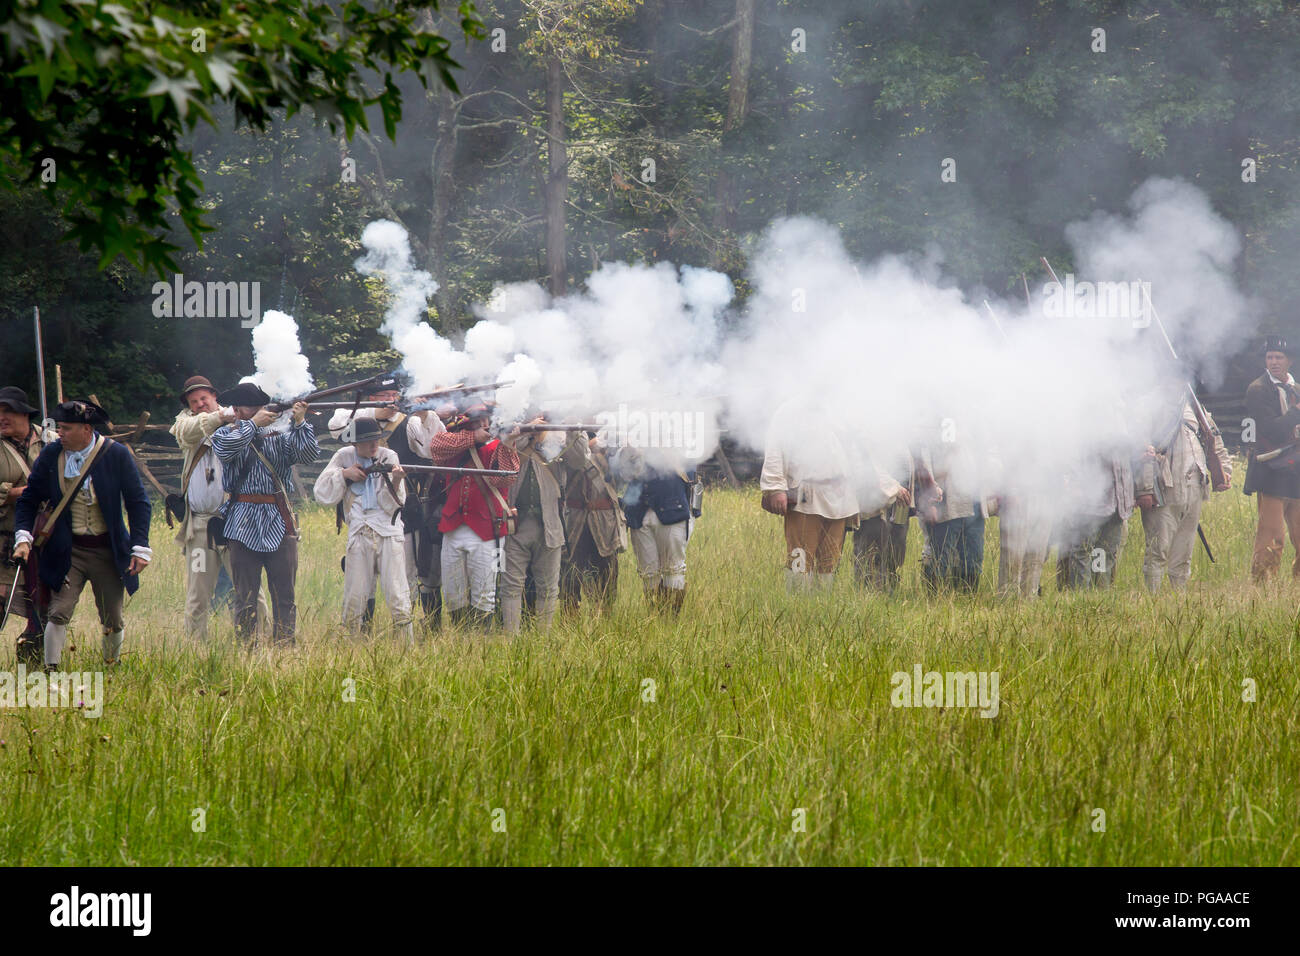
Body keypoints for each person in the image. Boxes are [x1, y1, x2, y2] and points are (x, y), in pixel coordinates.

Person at [12, 399, 152, 669]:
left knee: (113, 616)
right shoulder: (52, 455)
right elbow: (29, 500)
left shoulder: (116, 454)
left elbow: (138, 502)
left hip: (107, 551)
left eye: (66, 428)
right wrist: (24, 537)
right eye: (59, 428)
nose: (59, 433)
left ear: (86, 429)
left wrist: (140, 547)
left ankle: (112, 667)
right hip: (69, 549)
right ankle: (51, 668)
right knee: (58, 612)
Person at [210, 382, 319, 646]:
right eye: (251, 407)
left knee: (285, 595)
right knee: (245, 596)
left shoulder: (280, 435)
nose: (258, 410)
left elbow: (308, 455)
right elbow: (224, 450)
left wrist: (300, 422)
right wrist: (253, 425)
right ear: (236, 409)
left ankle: (285, 648)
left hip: (279, 519)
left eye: (259, 406)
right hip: (241, 522)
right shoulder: (225, 434)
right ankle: (247, 648)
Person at [169, 374, 268, 638]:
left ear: (215, 397)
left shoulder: (240, 421)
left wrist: (237, 415)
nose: (200, 403)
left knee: (250, 589)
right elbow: (185, 432)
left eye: (204, 398)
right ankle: (195, 648)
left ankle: (262, 641)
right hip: (200, 526)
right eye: (194, 401)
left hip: (235, 523)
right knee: (198, 595)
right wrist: (220, 417)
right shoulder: (187, 424)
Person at [313, 417, 412, 641]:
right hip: (359, 531)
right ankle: (350, 647)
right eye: (368, 441)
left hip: (388, 531)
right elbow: (321, 492)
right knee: (355, 596)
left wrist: (395, 481)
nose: (374, 445)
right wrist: (345, 475)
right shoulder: (344, 457)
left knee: (397, 594)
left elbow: (392, 507)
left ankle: (407, 646)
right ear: (356, 443)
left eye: (376, 440)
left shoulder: (390, 457)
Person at [428, 403, 520, 629]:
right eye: (479, 423)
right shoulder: (456, 443)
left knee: (485, 594)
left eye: (486, 422)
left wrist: (508, 443)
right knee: (453, 593)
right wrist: (473, 437)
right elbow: (436, 446)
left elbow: (505, 479)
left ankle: (481, 643)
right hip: (453, 527)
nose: (485, 426)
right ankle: (462, 639)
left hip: (488, 529)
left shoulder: (500, 447)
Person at [1135, 393, 1232, 590]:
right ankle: (1152, 598)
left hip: (1195, 487)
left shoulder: (1197, 408)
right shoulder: (1148, 406)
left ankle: (1178, 599)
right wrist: (1144, 489)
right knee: (1158, 549)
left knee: (1184, 550)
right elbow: (1142, 450)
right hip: (1164, 487)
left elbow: (1215, 440)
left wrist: (1225, 471)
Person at [760, 400, 859, 591]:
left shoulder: (839, 407)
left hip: (839, 495)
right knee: (800, 557)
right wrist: (776, 488)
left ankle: (821, 605)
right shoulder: (788, 411)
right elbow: (774, 450)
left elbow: (853, 450)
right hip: (805, 494)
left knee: (830, 561)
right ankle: (797, 607)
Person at [499, 419, 587, 633]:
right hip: (515, 524)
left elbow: (580, 460)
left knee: (548, 587)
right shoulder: (513, 420)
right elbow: (502, 448)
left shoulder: (560, 431)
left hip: (550, 521)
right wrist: (529, 427)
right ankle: (511, 640)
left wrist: (572, 428)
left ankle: (543, 640)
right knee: (511, 586)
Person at [0, 386, 52, 662]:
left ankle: (34, 659)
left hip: (47, 535)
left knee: (44, 601)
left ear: (23, 413)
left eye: (7, 411)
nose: (1, 417)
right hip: (6, 536)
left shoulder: (52, 440)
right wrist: (26, 492)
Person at [1242, 337, 1300, 582]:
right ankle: (1263, 593)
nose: (1274, 362)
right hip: (1271, 472)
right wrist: (1296, 412)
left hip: (1296, 470)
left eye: (1279, 357)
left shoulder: (1295, 389)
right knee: (1272, 539)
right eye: (1269, 357)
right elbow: (1271, 430)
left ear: (1290, 360)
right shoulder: (1258, 389)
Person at [619, 448, 700, 612]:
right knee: (648, 572)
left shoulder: (680, 438)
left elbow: (689, 466)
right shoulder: (633, 436)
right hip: (639, 512)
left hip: (672, 508)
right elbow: (624, 473)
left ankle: (670, 621)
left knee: (673, 569)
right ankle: (654, 618)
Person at [560, 431, 627, 613]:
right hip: (576, 519)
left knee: (607, 574)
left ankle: (604, 618)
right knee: (571, 573)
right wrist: (589, 445)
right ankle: (570, 619)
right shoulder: (569, 435)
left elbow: (624, 476)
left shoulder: (614, 441)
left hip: (605, 522)